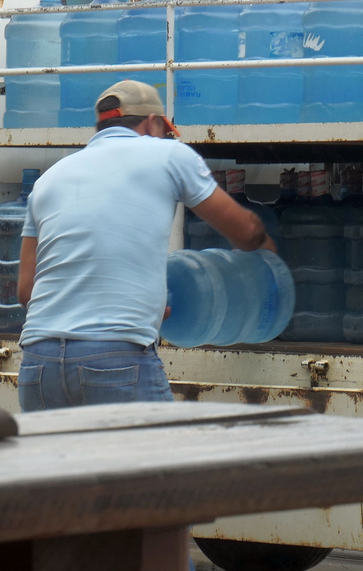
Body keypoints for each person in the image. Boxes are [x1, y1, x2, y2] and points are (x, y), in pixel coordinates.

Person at [15, 80, 275, 412]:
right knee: (153, 464)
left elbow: (27, 291)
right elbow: (243, 230)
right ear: (153, 123)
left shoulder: (49, 179)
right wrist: (265, 247)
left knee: (65, 466)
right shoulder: (168, 154)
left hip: (39, 364)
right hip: (115, 360)